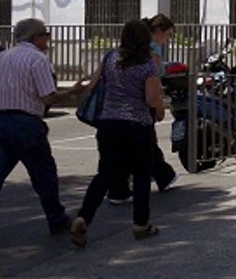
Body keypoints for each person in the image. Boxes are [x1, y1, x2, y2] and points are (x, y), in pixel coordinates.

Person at [0, 19, 89, 254]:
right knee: (45, 174)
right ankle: (56, 218)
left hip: (1, 121)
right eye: (46, 35)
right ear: (36, 38)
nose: (48, 40)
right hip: (26, 122)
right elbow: (48, 97)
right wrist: (73, 91)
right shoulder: (38, 59)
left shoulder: (2, 57)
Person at [70, 19, 165, 246]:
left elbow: (93, 85)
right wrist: (160, 102)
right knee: (141, 174)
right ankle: (140, 223)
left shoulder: (110, 57)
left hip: (109, 123)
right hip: (137, 124)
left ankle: (84, 217)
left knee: (105, 173)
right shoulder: (148, 64)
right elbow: (151, 99)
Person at [106, 13, 178, 204]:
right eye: (168, 35)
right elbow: (153, 87)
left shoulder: (112, 57)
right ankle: (157, 177)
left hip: (114, 112)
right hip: (138, 110)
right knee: (145, 146)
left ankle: (159, 176)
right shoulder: (149, 55)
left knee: (134, 147)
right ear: (157, 31)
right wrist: (159, 106)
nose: (168, 40)